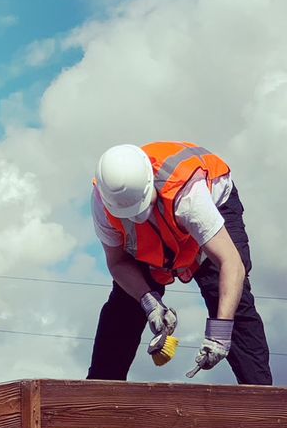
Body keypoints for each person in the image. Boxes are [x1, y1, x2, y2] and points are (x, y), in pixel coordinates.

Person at [87, 141, 271, 385]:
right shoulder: (102, 203)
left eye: (140, 207)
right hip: (163, 221)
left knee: (227, 296)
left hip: (211, 205)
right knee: (125, 302)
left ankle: (261, 404)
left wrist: (220, 335)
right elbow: (118, 262)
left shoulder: (189, 196)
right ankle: (100, 394)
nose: (136, 216)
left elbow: (231, 263)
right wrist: (149, 302)